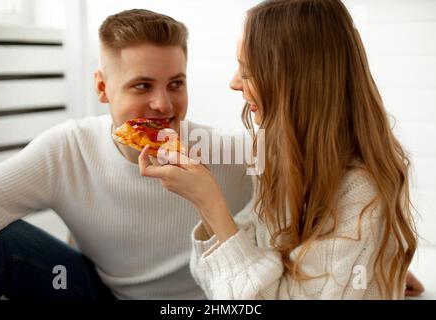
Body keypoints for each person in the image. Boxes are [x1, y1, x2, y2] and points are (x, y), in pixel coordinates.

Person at [138, 0, 420, 299]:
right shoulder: (283, 159)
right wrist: (203, 201)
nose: (234, 83)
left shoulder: (363, 196)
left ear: (295, 81)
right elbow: (216, 281)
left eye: (248, 71)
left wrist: (209, 202)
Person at [0, 9, 252, 300]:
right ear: (102, 87)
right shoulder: (70, 147)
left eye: (176, 83)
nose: (163, 105)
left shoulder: (227, 152)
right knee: (4, 241)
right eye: (142, 86)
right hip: (100, 295)